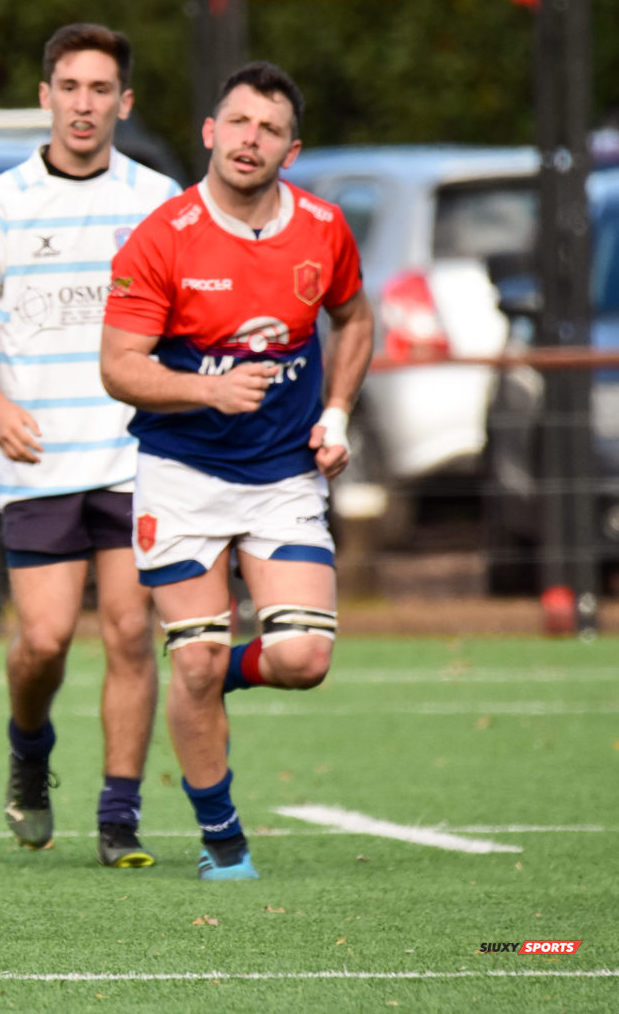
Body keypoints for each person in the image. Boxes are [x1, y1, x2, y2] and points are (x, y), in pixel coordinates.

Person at [101, 62, 373, 880]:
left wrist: (337, 414)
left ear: (293, 151)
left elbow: (355, 318)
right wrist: (206, 390)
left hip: (285, 476)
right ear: (211, 132)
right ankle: (223, 838)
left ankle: (221, 670)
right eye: (239, 122)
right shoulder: (164, 236)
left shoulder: (324, 228)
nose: (251, 139)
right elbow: (119, 366)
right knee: (191, 657)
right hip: (181, 476)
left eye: (270, 129)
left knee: (302, 660)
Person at [0, 23, 178, 867]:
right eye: (70, 87)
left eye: (100, 89)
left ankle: (119, 815)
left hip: (135, 454)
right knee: (41, 640)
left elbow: (184, 325)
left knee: (127, 629)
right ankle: (29, 748)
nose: (85, 104)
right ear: (46, 96)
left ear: (125, 102)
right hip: (38, 456)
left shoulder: (157, 200)